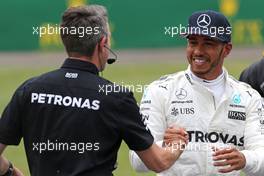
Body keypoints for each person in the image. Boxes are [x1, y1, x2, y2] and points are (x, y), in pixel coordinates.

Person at [0, 5, 188, 176]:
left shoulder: (29, 89)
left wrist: (11, 172)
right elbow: (158, 162)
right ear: (102, 43)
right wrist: (178, 143)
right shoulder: (116, 97)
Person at [130, 10, 264, 176]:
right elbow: (137, 160)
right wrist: (166, 147)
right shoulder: (160, 91)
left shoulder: (248, 97)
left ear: (227, 49)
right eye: (193, 43)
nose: (198, 51)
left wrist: (245, 159)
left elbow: (261, 156)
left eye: (208, 44)